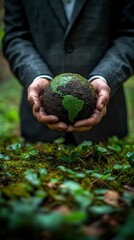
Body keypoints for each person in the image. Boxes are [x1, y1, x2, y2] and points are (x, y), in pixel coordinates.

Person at [2, 0, 134, 144]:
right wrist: (36, 75)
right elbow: (16, 36)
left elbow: (129, 36)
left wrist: (104, 77)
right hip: (39, 131)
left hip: (106, 127)